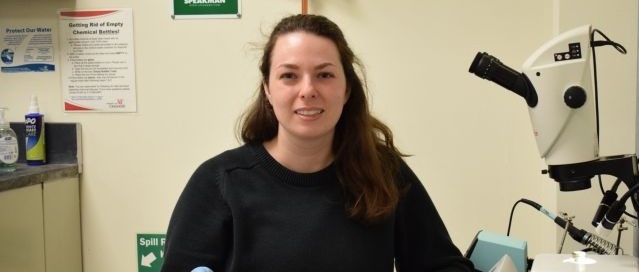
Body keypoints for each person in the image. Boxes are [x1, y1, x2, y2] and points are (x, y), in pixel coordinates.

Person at [161, 14, 474, 272]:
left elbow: (440, 266)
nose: (308, 90)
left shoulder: (386, 173)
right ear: (267, 90)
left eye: (324, 75)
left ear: (347, 89)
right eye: (289, 76)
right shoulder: (219, 182)